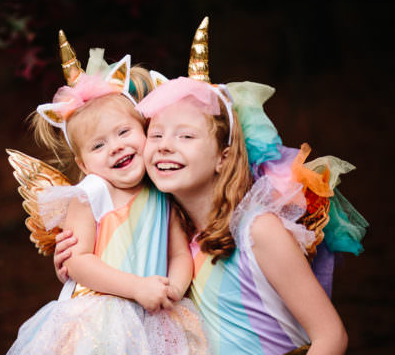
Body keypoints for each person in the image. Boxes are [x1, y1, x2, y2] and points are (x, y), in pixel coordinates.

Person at [53, 17, 367, 354]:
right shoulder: (169, 234)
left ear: (224, 156)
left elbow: (330, 336)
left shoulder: (257, 231)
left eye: (186, 136)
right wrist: (79, 273)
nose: (165, 145)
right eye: (156, 134)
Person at [7, 31, 210, 355]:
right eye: (98, 145)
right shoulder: (92, 193)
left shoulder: (161, 190)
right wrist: (137, 287)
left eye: (124, 132)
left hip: (154, 315)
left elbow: (178, 253)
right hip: (102, 318)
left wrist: (173, 288)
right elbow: (78, 262)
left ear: (145, 132)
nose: (115, 147)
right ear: (83, 163)